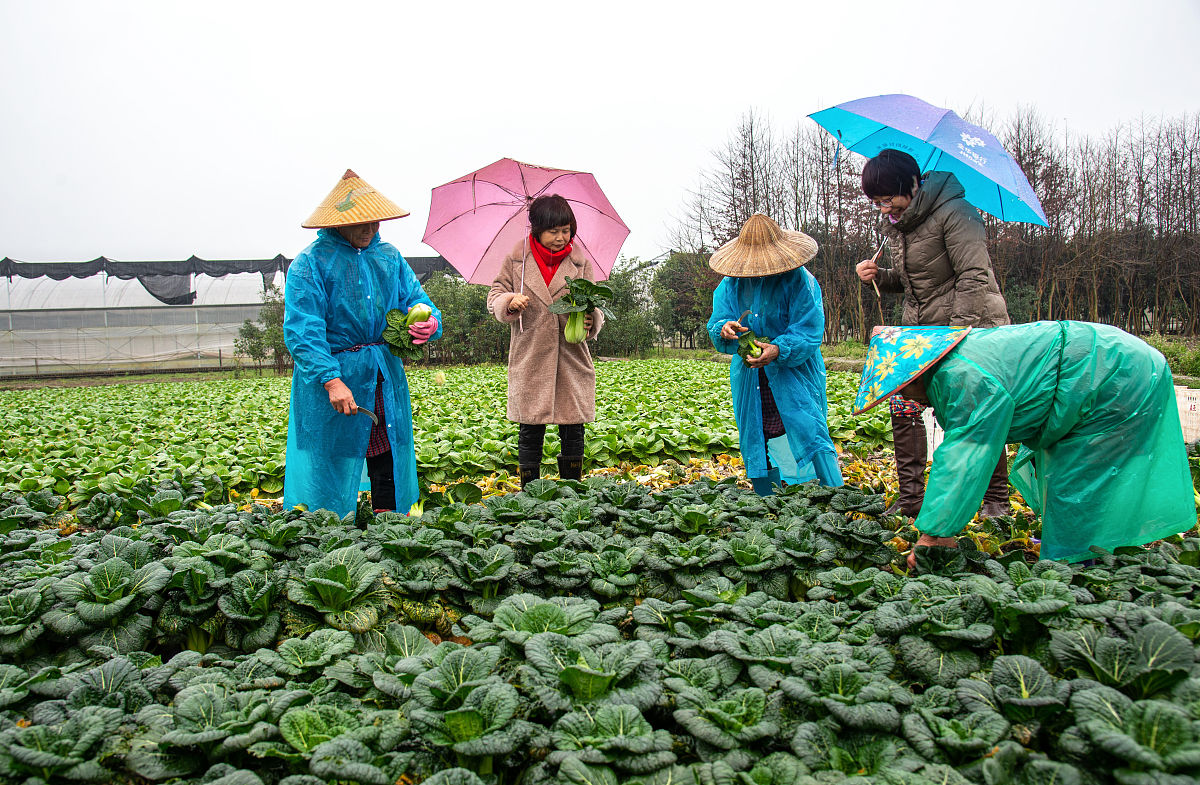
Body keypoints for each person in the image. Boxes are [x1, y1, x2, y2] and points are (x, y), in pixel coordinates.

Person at [854, 322, 1196, 567]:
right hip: (1108, 363)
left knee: (1079, 482)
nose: (901, 397)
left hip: (1114, 373)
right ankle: (1094, 554)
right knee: (1075, 478)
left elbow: (965, 454)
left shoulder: (961, 377)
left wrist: (933, 534)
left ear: (915, 374)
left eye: (899, 388)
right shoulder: (954, 362)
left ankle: (1075, 568)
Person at [855, 149, 1011, 520]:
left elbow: (974, 276)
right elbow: (917, 286)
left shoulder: (958, 213)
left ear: (912, 183)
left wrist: (957, 334)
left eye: (887, 198)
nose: (882, 208)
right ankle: (912, 500)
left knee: (974, 410)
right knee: (901, 402)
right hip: (923, 329)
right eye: (876, 202)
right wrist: (879, 277)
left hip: (970, 326)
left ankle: (995, 501)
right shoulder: (900, 224)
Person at [282, 169, 442, 517]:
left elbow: (417, 300)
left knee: (386, 452)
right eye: (362, 223)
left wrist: (428, 321)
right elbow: (302, 332)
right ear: (338, 222)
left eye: (375, 222)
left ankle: (389, 528)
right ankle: (325, 534)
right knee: (330, 458)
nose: (370, 230)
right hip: (334, 378)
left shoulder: (388, 256)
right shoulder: (310, 264)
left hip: (383, 377)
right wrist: (331, 380)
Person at [706, 213, 844, 494]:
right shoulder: (731, 283)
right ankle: (766, 496)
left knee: (808, 425)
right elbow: (717, 321)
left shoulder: (799, 281)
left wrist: (779, 348)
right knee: (757, 432)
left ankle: (831, 493)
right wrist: (724, 329)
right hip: (750, 375)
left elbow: (809, 330)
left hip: (794, 373)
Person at [487, 194, 602, 487]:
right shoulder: (517, 260)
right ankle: (530, 491)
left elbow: (593, 301)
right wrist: (510, 302)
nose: (561, 237)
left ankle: (572, 490)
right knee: (530, 428)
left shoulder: (580, 263)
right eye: (553, 231)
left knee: (573, 427)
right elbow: (494, 296)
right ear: (536, 229)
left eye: (566, 230)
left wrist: (592, 319)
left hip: (571, 355)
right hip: (531, 353)